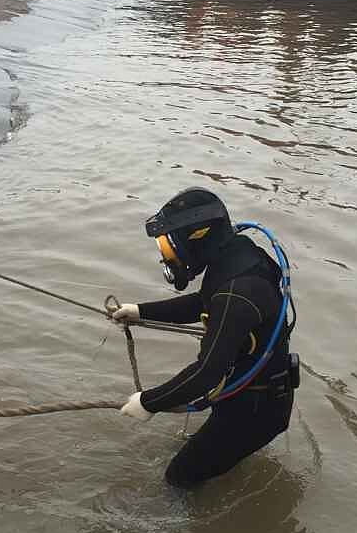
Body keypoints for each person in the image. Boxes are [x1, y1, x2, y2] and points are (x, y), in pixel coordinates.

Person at [112, 188, 298, 489]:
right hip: (250, 396)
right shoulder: (237, 257)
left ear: (197, 238)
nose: (167, 258)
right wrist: (140, 312)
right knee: (207, 457)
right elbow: (204, 302)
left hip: (255, 411)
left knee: (178, 477)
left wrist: (148, 403)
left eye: (169, 248)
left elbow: (206, 372)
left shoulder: (237, 294)